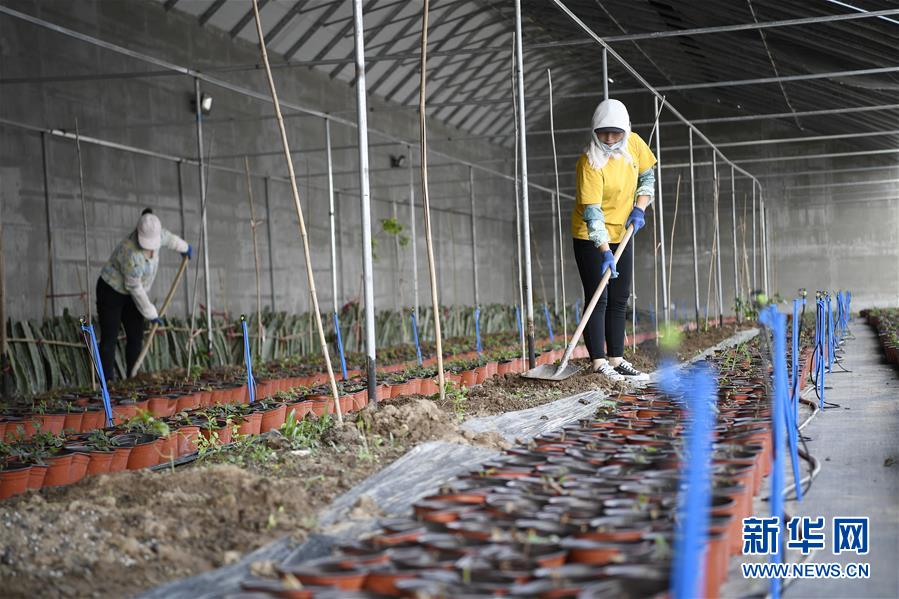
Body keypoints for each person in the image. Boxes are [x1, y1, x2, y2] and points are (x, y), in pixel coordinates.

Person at [571, 99, 656, 381]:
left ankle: (617, 359)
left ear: (626, 130)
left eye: (615, 133)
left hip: (624, 231)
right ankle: (598, 363)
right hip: (591, 237)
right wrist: (605, 250)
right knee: (599, 296)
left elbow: (647, 175)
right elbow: (592, 215)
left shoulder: (635, 145)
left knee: (619, 297)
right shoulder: (590, 162)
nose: (609, 139)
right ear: (595, 131)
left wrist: (640, 208)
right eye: (603, 132)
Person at [96, 209, 191, 380]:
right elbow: (135, 288)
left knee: (136, 336)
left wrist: (185, 247)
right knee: (109, 338)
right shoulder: (130, 252)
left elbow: (169, 239)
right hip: (111, 291)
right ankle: (107, 384)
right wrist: (151, 313)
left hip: (132, 293)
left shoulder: (158, 234)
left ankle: (132, 378)